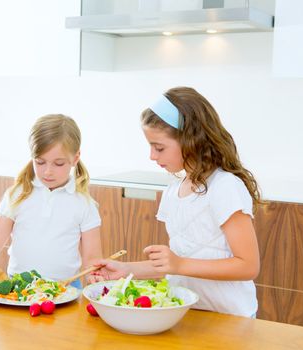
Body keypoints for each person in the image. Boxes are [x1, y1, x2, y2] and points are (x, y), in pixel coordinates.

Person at [94, 87, 261, 317]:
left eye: (159, 147)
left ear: (190, 140)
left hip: (230, 317)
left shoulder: (225, 187)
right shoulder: (174, 191)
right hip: (186, 313)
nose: (152, 156)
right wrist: (126, 270)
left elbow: (248, 265)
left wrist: (179, 264)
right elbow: (174, 263)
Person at [0, 114, 103, 288]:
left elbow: (92, 261)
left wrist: (95, 276)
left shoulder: (85, 204)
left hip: (67, 290)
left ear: (75, 158)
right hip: (19, 289)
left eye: (58, 164)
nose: (48, 171)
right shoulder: (18, 195)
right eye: (40, 162)